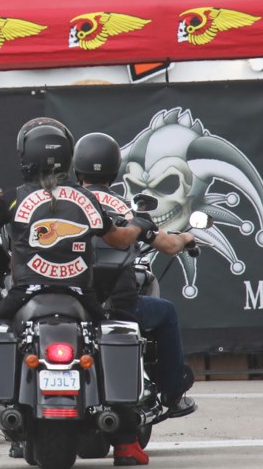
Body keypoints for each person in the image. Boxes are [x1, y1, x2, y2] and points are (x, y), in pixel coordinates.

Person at [0, 118, 196, 469]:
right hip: (81, 298)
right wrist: (139, 225)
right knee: (109, 347)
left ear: (25, 157)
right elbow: (120, 240)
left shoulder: (13, 198)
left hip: (25, 296)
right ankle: (126, 445)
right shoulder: (86, 199)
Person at [73, 133, 197, 419]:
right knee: (166, 313)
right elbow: (168, 245)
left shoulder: (65, 204)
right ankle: (172, 392)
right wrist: (187, 236)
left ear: (77, 169)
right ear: (114, 170)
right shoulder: (125, 208)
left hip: (70, 305)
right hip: (120, 306)